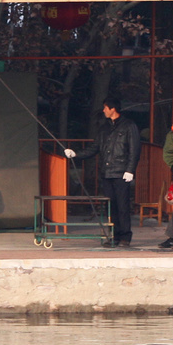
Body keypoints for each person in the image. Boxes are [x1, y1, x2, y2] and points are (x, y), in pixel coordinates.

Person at [64, 98, 142, 247]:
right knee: (110, 206)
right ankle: (114, 236)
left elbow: (134, 150)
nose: (104, 110)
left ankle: (125, 236)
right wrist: (76, 154)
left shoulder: (129, 126)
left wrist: (130, 170)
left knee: (123, 206)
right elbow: (94, 148)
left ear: (113, 109)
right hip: (106, 173)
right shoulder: (104, 128)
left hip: (121, 172)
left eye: (106, 108)